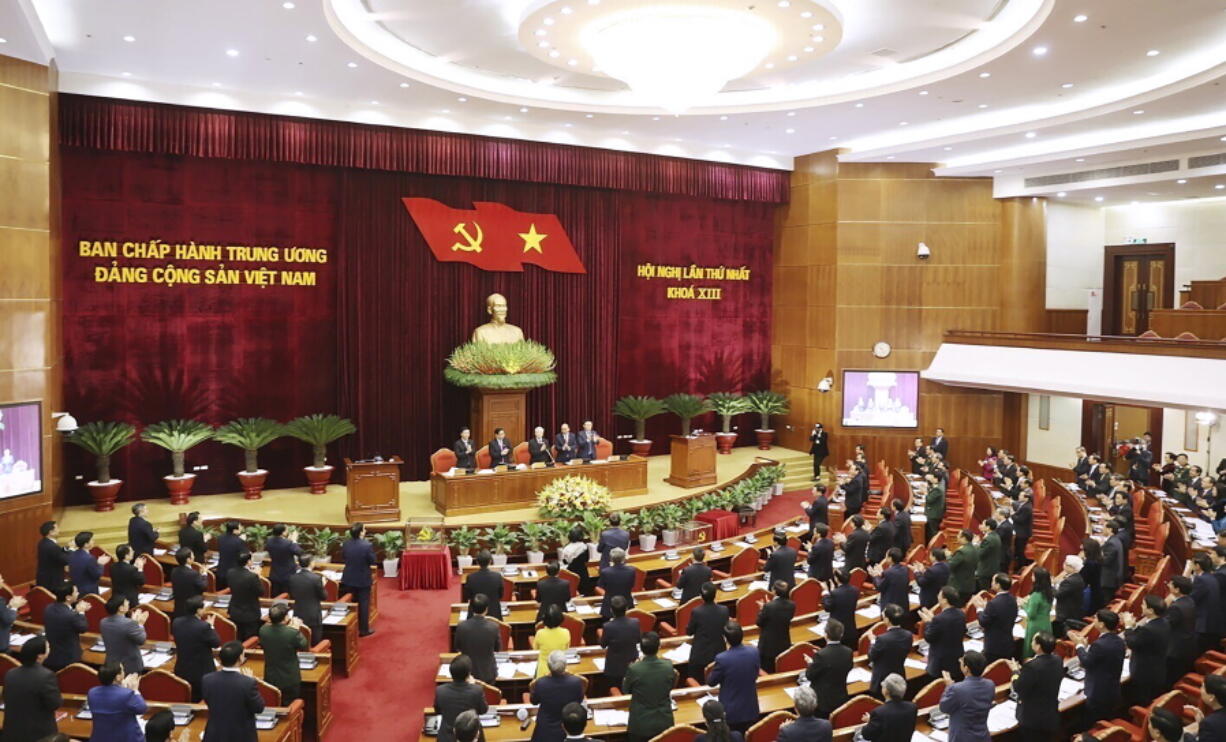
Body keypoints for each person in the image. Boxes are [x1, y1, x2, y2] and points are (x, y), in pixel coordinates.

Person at [202, 641, 266, 742]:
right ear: (240, 658)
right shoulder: (247, 683)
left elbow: (208, 701)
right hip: (241, 736)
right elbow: (259, 708)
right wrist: (249, 680)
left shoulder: (207, 679)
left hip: (215, 734)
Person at [0, 637, 61, 742]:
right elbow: (54, 704)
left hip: (12, 732)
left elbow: (6, 697)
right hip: (39, 734)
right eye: (48, 647)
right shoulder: (46, 676)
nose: (50, 649)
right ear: (40, 656)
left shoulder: (10, 673)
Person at [1074, 609, 1127, 725]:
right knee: (1106, 720)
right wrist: (1088, 648)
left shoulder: (1099, 645)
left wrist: (1079, 646)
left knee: (1094, 724)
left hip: (1098, 694)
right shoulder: (1119, 641)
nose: (1094, 621)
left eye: (1096, 619)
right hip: (1113, 690)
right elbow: (1101, 658)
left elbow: (1086, 662)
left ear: (1102, 624)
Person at [707, 622, 760, 733]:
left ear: (725, 639)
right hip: (751, 708)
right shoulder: (754, 651)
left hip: (732, 713)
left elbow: (711, 682)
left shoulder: (722, 659)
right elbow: (755, 674)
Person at [623, 631, 676, 742]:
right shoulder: (668, 666)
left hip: (641, 724)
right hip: (664, 722)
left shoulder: (634, 669)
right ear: (659, 646)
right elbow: (670, 686)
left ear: (641, 649)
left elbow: (626, 690)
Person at [1123, 594, 1171, 706]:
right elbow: (1146, 639)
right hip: (1158, 669)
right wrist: (1135, 627)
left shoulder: (1149, 629)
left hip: (1145, 673)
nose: (1141, 606)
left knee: (1144, 702)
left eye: (1143, 604)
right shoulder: (1164, 622)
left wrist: (1128, 627)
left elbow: (1132, 643)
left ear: (1151, 610)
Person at [1012, 632, 1063, 738]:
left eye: (1033, 640)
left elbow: (1018, 687)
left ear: (1038, 646)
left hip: (1032, 720)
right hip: (1050, 715)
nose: (1031, 642)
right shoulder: (1058, 660)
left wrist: (1015, 672)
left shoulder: (1032, 667)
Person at [173, 595, 222, 701]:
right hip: (201, 672)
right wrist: (211, 626)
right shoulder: (203, 627)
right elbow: (216, 643)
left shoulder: (176, 622)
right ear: (198, 610)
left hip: (182, 668)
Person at [530, 651, 586, 742]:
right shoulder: (576, 682)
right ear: (565, 665)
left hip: (544, 732)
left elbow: (534, 701)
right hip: (570, 729)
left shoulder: (541, 683)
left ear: (548, 666)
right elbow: (579, 701)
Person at [259, 602, 309, 702]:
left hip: (270, 677)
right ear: (286, 618)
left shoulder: (263, 630)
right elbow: (304, 645)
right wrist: (296, 628)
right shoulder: (292, 633)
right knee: (290, 705)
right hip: (289, 678)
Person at [938, 651, 992, 742]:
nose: (960, 662)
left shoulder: (957, 689)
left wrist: (948, 686)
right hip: (982, 736)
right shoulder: (990, 685)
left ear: (966, 668)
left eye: (961, 661)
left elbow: (943, 708)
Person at [88, 661, 148, 742]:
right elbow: (142, 708)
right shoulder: (126, 694)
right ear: (118, 677)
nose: (124, 672)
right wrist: (135, 690)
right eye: (122, 670)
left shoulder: (92, 692)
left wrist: (122, 688)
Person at [805, 618, 853, 717]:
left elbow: (809, 675)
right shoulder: (848, 652)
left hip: (823, 703)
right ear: (841, 634)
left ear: (826, 635)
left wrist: (811, 663)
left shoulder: (821, 655)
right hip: (841, 698)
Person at [686, 582, 730, 682]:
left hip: (701, 654)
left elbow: (689, 632)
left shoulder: (697, 612)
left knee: (696, 679)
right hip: (719, 652)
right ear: (715, 595)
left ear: (701, 596)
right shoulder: (724, 610)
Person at [921, 586, 966, 681]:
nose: (938, 597)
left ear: (945, 600)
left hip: (940, 664)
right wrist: (933, 621)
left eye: (939, 595)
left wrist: (928, 622)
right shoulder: (961, 614)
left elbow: (928, 637)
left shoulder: (939, 619)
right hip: (956, 660)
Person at [340, 522, 378, 636]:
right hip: (362, 579)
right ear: (361, 532)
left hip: (348, 577)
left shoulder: (346, 544)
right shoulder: (367, 545)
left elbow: (343, 557)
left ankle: (349, 628)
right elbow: (373, 561)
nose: (365, 531)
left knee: (349, 602)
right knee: (363, 604)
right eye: (364, 529)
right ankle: (363, 630)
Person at [455, 594, 501, 684]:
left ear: (471, 608)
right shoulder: (494, 627)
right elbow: (497, 649)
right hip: (488, 674)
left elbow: (457, 647)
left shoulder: (461, 627)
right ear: (487, 609)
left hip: (467, 674)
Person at [868, 604, 912, 696]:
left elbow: (871, 656)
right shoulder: (908, 635)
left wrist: (872, 640)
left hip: (883, 681)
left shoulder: (882, 639)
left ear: (887, 620)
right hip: (899, 675)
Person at [973, 573, 1017, 662]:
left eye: (993, 581)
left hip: (994, 647)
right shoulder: (1013, 599)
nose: (991, 583)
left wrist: (979, 609)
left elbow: (983, 622)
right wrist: (986, 608)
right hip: (1008, 643)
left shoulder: (993, 603)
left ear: (998, 585)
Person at [600, 595, 641, 690]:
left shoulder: (608, 626)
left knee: (615, 688)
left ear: (611, 610)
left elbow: (603, 645)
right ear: (626, 608)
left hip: (614, 668)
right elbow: (638, 639)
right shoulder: (635, 622)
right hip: (632, 664)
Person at [43, 583, 87, 671]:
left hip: (51, 655)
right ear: (68, 597)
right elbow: (83, 627)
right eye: (76, 592)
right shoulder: (71, 615)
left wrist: (75, 612)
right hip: (68, 658)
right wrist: (81, 613)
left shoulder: (48, 608)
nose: (78, 593)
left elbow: (65, 620)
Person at [101, 594, 149, 674]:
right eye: (126, 602)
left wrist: (134, 623)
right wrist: (140, 624)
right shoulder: (129, 624)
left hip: (111, 665)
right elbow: (141, 640)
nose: (128, 602)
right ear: (121, 608)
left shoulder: (103, 622)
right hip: (130, 667)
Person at [755, 580, 795, 673]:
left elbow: (759, 623)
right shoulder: (792, 605)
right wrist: (768, 606)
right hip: (784, 642)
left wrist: (762, 609)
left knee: (767, 671)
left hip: (768, 645)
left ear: (774, 591)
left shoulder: (769, 607)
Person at [1189, 552, 1225, 651]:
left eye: (1192, 564)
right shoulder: (1211, 577)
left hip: (1203, 625)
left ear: (1197, 566)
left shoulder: (1201, 580)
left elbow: (1192, 599)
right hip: (1213, 623)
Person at [288, 553, 326, 644]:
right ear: (311, 563)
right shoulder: (316, 578)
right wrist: (323, 586)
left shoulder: (293, 578)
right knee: (315, 642)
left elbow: (292, 595)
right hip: (313, 615)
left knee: (300, 642)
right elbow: (323, 596)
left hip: (298, 613)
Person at [1167, 576, 1199, 682]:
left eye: (1171, 584)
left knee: (1172, 678)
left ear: (1177, 589)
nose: (1168, 585)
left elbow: (1166, 625)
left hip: (1175, 649)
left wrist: (1166, 604)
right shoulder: (1190, 600)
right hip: (1188, 645)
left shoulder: (1175, 607)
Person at [227, 550, 263, 641]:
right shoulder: (252, 577)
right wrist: (258, 576)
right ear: (248, 562)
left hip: (235, 611)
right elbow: (260, 592)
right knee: (250, 641)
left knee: (238, 638)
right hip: (250, 613)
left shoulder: (230, 572)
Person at [821, 568, 860, 649]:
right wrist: (832, 592)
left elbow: (827, 607)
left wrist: (826, 593)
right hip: (850, 628)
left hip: (836, 631)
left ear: (836, 579)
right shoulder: (855, 590)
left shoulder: (835, 593)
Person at [465, 549, 507, 622]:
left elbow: (468, 596)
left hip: (475, 614)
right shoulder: (497, 576)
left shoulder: (470, 577)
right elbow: (501, 595)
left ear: (477, 562)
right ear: (490, 561)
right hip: (494, 614)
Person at [1021, 567, 1054, 658]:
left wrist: (1023, 605)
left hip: (1035, 626)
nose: (1031, 577)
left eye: (1033, 575)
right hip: (1046, 623)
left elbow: (1031, 614)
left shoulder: (1036, 595)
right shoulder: (1049, 592)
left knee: (1031, 652)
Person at [532, 604, 572, 678]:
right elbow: (566, 649)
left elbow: (535, 650)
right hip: (560, 670)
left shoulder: (540, 633)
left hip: (542, 673)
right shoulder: (566, 632)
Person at [266, 523, 303, 597]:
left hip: (274, 574)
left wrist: (288, 541)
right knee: (287, 597)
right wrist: (294, 541)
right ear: (283, 532)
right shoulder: (288, 543)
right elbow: (300, 552)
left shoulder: (269, 541)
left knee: (277, 597)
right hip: (287, 576)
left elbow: (281, 546)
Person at [1054, 555, 1088, 637]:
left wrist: (1049, 587)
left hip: (1066, 614)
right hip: (1073, 610)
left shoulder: (1070, 581)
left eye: (1066, 563)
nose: (1064, 564)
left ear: (1072, 568)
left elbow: (1057, 594)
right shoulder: (1077, 577)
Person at [170, 546, 208, 618]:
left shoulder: (174, 571)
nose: (194, 557)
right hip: (191, 609)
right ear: (188, 559)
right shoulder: (193, 574)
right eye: (192, 555)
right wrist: (204, 574)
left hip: (178, 608)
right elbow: (204, 586)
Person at [597, 547, 635, 619]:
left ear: (611, 559)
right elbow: (632, 585)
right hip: (627, 604)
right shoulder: (631, 570)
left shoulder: (605, 572)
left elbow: (601, 585)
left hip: (609, 605)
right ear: (624, 558)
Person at [68, 530, 108, 596]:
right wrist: (100, 564)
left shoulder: (73, 554)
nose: (93, 541)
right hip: (89, 592)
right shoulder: (89, 558)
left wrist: (96, 562)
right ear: (86, 544)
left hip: (76, 589)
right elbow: (97, 575)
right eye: (92, 540)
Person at [109, 544, 146, 608]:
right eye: (131, 551)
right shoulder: (131, 569)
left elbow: (125, 575)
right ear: (126, 556)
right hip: (130, 601)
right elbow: (141, 582)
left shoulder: (113, 566)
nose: (133, 552)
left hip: (116, 599)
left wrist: (134, 567)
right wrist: (140, 568)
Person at [35, 520, 69, 589]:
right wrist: (72, 549)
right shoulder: (52, 546)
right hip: (52, 581)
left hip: (44, 578)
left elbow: (56, 554)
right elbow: (65, 560)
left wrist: (66, 548)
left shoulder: (42, 542)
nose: (59, 530)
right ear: (51, 532)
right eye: (57, 528)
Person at [947, 529, 978, 604]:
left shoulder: (962, 551)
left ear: (964, 538)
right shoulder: (975, 549)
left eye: (959, 536)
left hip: (959, 586)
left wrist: (948, 556)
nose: (957, 537)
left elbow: (951, 565)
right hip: (970, 585)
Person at [560, 526, 592, 594]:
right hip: (583, 575)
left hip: (570, 574)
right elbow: (587, 560)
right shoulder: (584, 547)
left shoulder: (566, 548)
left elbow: (564, 561)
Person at [1192, 675, 1226, 740]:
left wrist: (1185, 735)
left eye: (1203, 687)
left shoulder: (1209, 724)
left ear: (1211, 697)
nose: (1200, 689)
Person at [1101, 519, 1127, 602]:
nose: (1102, 529)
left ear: (1110, 529)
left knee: (1104, 601)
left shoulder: (1111, 543)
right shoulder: (1115, 540)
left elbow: (1105, 561)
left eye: (1104, 527)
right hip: (1113, 577)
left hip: (1108, 580)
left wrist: (1094, 554)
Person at [973, 520, 1000, 592]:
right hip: (992, 567)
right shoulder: (995, 535)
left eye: (983, 524)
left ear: (988, 527)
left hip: (986, 569)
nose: (981, 525)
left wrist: (975, 544)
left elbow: (980, 553)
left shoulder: (988, 539)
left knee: (983, 592)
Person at [1012, 489, 1033, 570]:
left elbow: (1020, 520)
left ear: (1026, 498)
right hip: (1022, 530)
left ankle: (1022, 566)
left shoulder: (1027, 508)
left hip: (1022, 533)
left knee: (1020, 550)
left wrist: (1012, 514)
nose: (1019, 496)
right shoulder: (1025, 504)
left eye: (1021, 495)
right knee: (1018, 549)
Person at [924, 476, 946, 542]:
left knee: (932, 532)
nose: (931, 479)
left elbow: (929, 499)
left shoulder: (938, 489)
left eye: (933, 478)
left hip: (934, 514)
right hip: (936, 511)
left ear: (936, 479)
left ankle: (933, 545)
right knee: (931, 531)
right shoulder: (939, 486)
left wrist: (925, 493)